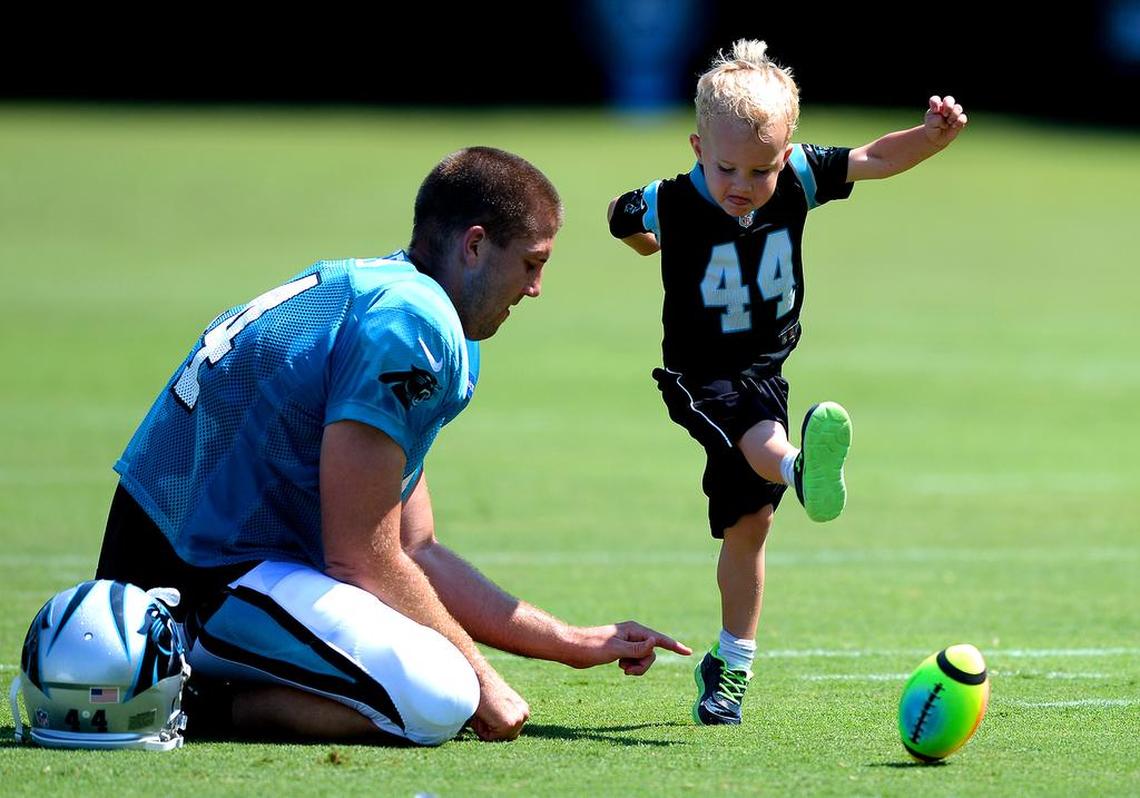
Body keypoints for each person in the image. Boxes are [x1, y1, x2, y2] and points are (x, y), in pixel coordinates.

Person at [96, 145, 691, 747]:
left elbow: (415, 547)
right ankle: (180, 698)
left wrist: (570, 642)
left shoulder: (402, 299)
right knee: (441, 696)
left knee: (439, 678)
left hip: (213, 567)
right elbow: (361, 558)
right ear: (476, 246)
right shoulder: (411, 321)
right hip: (184, 590)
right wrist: (484, 680)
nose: (536, 288)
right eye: (532, 263)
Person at [606, 39, 968, 725]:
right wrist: (652, 240)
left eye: (761, 169)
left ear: (788, 151)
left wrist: (930, 136)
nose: (742, 183)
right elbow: (622, 219)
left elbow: (876, 158)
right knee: (756, 436)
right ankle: (802, 468)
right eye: (725, 168)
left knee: (750, 526)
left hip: (766, 368)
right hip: (697, 375)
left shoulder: (800, 175)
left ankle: (730, 668)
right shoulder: (672, 200)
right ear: (695, 146)